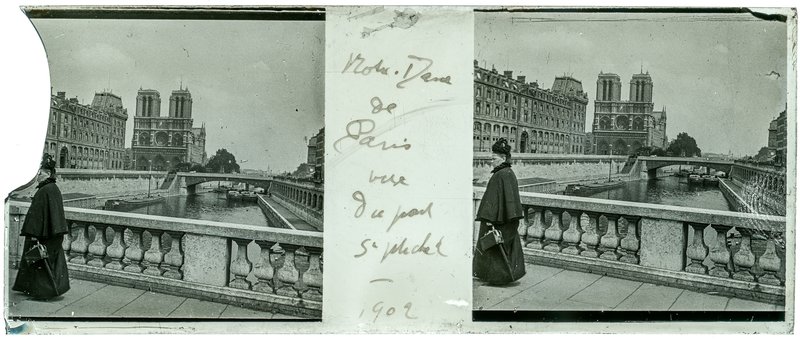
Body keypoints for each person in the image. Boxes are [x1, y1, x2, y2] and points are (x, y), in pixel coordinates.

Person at [12, 154, 71, 300]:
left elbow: (38, 215)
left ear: (48, 174)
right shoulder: (52, 188)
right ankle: (41, 289)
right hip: (52, 233)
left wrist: (33, 234)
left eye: (40, 173)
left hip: (42, 234)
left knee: (40, 262)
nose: (37, 176)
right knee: (48, 263)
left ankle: (44, 292)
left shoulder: (46, 190)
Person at [473, 138, 526, 285]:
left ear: (503, 158)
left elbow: (496, 199)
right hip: (505, 219)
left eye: (494, 158)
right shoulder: (507, 173)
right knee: (503, 248)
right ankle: (504, 275)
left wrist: (490, 219)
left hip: (497, 220)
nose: (492, 161)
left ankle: (497, 277)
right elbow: (507, 200)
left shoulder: (501, 174)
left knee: (493, 247)